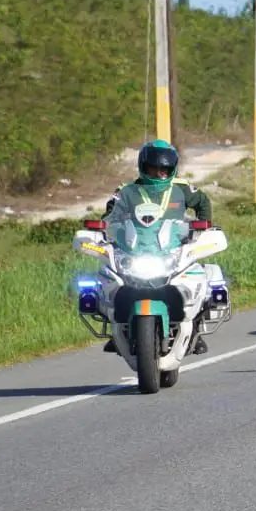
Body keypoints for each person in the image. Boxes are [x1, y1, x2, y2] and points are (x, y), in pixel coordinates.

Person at [100, 140, 217, 355]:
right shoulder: (127, 191)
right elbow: (110, 215)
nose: (159, 173)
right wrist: (108, 230)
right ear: (143, 166)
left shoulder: (182, 188)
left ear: (172, 169)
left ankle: (197, 330)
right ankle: (115, 331)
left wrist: (203, 227)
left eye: (164, 169)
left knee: (200, 283)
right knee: (109, 283)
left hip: (173, 248)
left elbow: (203, 202)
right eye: (154, 168)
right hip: (136, 249)